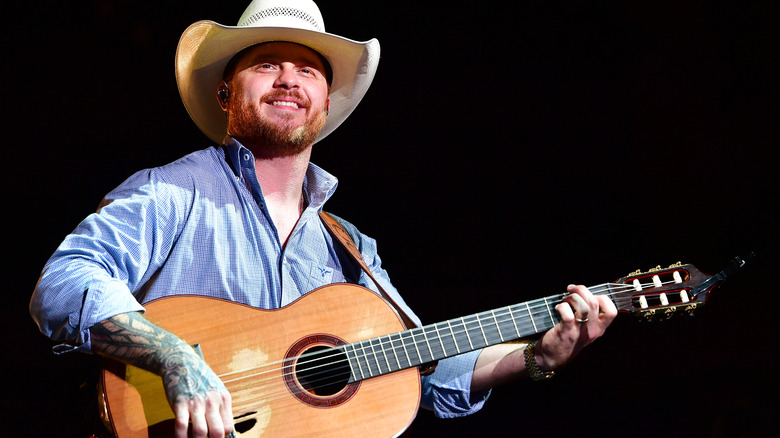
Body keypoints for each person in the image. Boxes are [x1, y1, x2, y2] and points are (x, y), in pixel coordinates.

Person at [30, 1, 617, 437]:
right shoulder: (175, 191)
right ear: (226, 94)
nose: (289, 78)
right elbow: (64, 283)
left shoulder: (348, 245)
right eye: (268, 64)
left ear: (325, 101)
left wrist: (538, 358)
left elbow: (425, 369)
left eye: (308, 70)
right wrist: (175, 355)